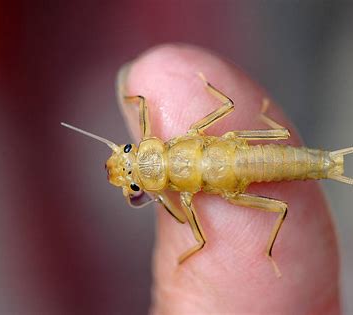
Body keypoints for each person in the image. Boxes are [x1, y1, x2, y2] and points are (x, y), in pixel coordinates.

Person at [120, 44, 340, 314]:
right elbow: (224, 104)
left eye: (129, 150)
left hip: (238, 171)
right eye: (136, 184)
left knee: (280, 208)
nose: (130, 157)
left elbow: (193, 233)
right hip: (245, 156)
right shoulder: (188, 139)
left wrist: (165, 208)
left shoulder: (183, 198)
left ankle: (325, 167)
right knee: (282, 145)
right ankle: (326, 164)